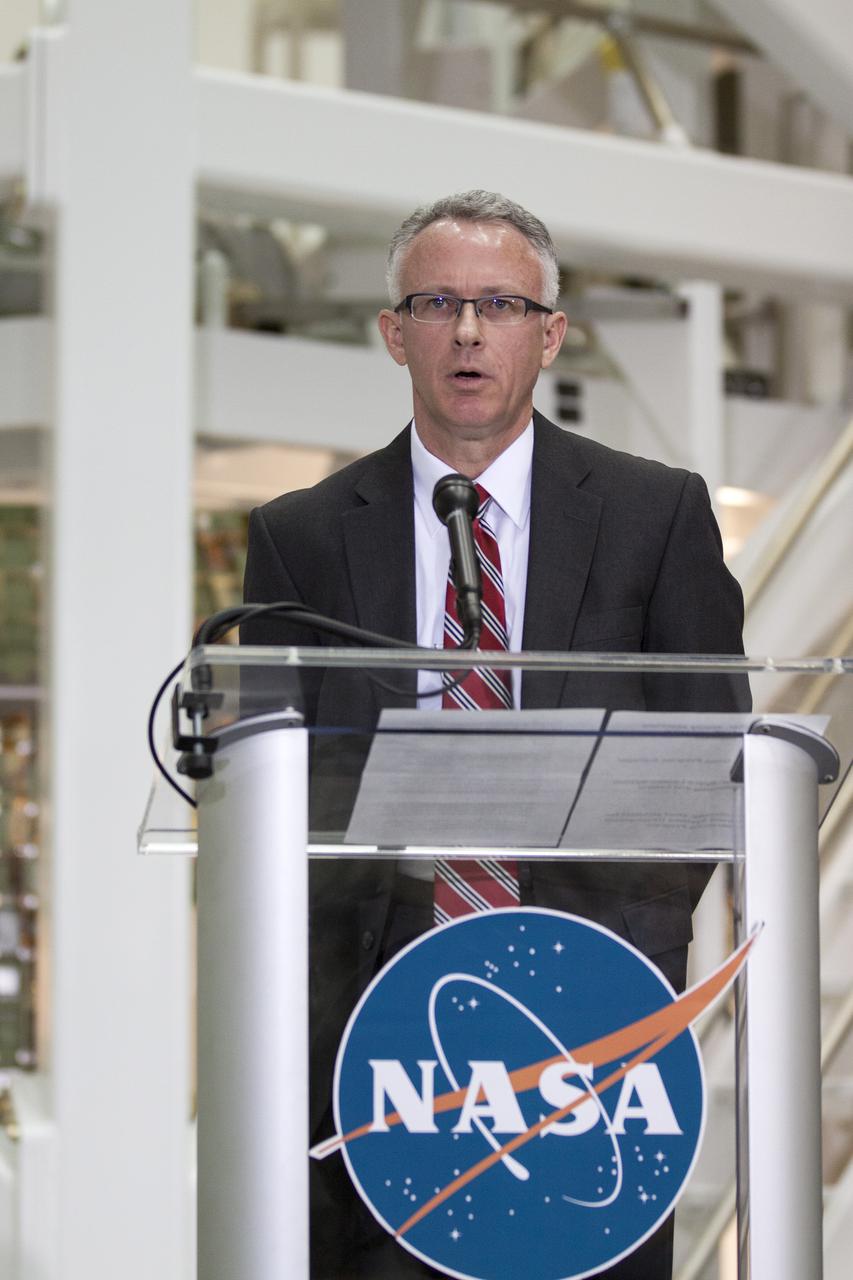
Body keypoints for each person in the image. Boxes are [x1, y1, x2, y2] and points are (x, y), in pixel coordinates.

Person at [242, 190, 749, 1279]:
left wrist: (606, 945)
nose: (468, 331)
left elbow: (710, 752)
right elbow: (276, 779)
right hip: (376, 1027)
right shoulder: (302, 536)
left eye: (501, 305)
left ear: (548, 333)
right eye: (437, 302)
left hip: (591, 1016)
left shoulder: (655, 513)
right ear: (393, 331)